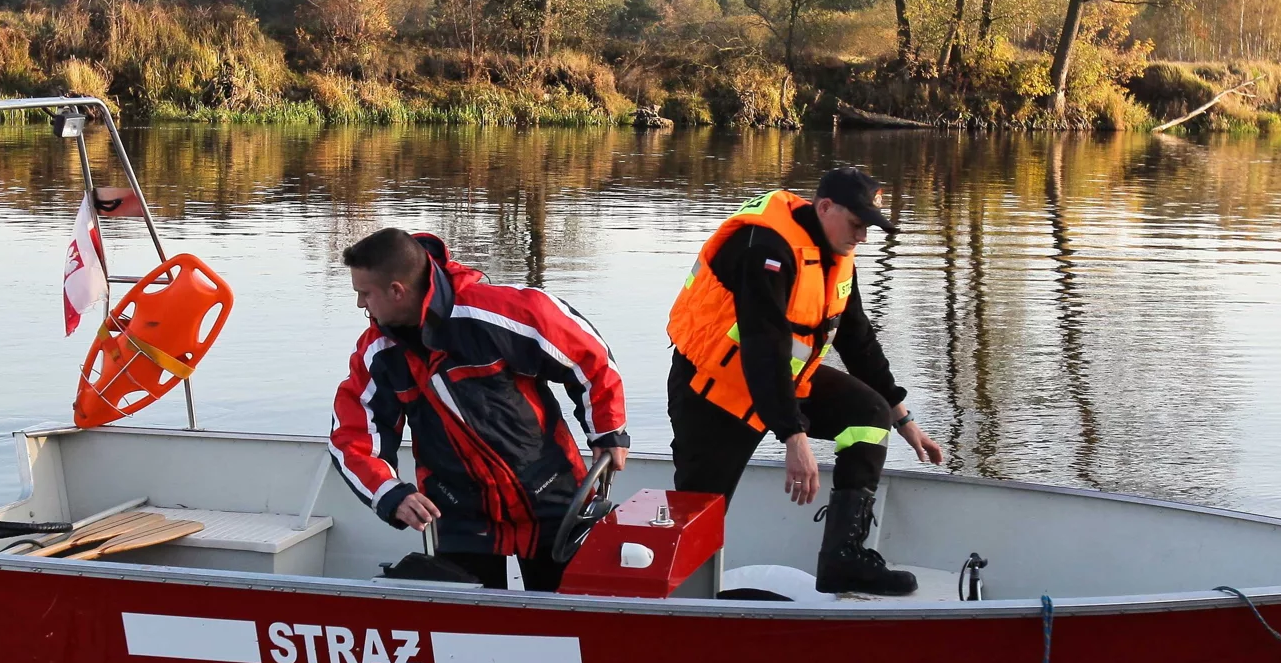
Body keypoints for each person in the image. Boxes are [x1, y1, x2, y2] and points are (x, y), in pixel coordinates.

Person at [665, 165, 945, 595]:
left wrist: (903, 418)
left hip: (780, 383)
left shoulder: (836, 252)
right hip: (713, 395)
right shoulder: (765, 247)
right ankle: (678, 606)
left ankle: (844, 559)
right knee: (699, 517)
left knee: (869, 414)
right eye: (857, 224)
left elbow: (857, 339)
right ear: (825, 207)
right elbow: (763, 344)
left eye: (868, 228)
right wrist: (793, 434)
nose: (862, 237)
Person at [329, 227, 629, 591]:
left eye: (364, 294)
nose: (361, 304)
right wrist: (390, 493)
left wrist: (607, 432)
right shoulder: (377, 355)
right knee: (463, 632)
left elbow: (590, 358)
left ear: (397, 290)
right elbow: (352, 437)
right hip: (459, 518)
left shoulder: (498, 312)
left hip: (552, 501)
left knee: (571, 618)